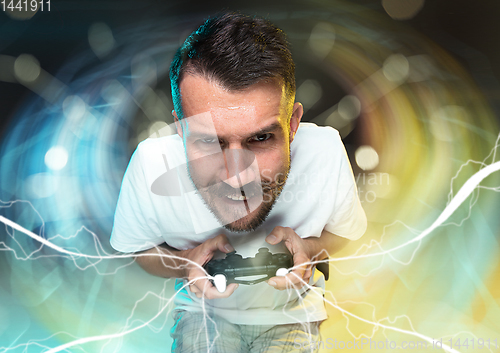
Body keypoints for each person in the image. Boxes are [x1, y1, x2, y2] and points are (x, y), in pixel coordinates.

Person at [110, 12, 367, 352]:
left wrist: (309, 248)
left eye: (260, 138)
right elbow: (139, 248)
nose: (237, 176)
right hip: (202, 317)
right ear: (180, 129)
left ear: (292, 125)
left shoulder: (325, 150)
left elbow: (346, 233)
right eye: (209, 141)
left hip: (294, 318)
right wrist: (187, 260)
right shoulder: (150, 163)